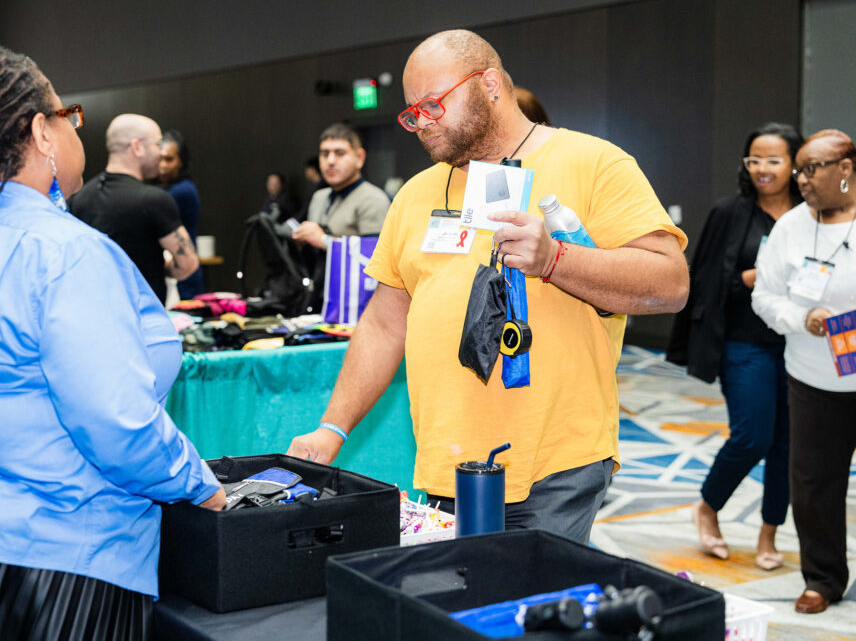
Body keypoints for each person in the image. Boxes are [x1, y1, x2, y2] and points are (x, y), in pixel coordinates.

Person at [0, 46, 225, 640]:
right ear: (41, 131)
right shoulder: (62, 251)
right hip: (46, 559)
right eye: (70, 115)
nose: (72, 128)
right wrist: (202, 487)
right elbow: (116, 422)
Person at [287, 29, 688, 544]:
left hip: (554, 464)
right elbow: (386, 324)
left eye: (433, 104)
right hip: (445, 463)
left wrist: (556, 258)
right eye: (412, 114)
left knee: (528, 614)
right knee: (458, 614)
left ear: (491, 84)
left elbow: (670, 282)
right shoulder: (415, 195)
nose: (421, 124)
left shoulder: (594, 163)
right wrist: (333, 427)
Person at [667, 123, 802, 570]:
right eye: (754, 160)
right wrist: (754, 277)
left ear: (796, 164)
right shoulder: (730, 212)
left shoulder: (810, 215)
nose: (762, 169)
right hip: (744, 344)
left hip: (801, 345)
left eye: (774, 160)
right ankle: (708, 506)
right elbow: (705, 280)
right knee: (753, 436)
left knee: (788, 445)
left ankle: (769, 534)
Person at [752, 129, 856, 615]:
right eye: (800, 170)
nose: (801, 179)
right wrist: (802, 319)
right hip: (813, 380)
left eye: (812, 168)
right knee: (814, 482)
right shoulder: (792, 226)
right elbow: (764, 296)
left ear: (846, 169)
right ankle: (823, 578)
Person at [70, 114, 199, 305]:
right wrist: (163, 270)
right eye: (157, 144)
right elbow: (187, 264)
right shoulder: (153, 199)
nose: (160, 153)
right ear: (137, 147)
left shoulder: (79, 198)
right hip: (143, 320)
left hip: (96, 312)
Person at [291, 123, 390, 252]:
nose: (330, 161)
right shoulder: (319, 197)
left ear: (359, 158)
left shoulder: (373, 200)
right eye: (325, 154)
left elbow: (373, 255)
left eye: (340, 153)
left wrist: (323, 240)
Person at [159, 130, 204, 298]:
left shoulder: (184, 190)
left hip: (183, 274)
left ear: (181, 162)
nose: (163, 165)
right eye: (160, 159)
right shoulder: (162, 190)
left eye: (169, 159)